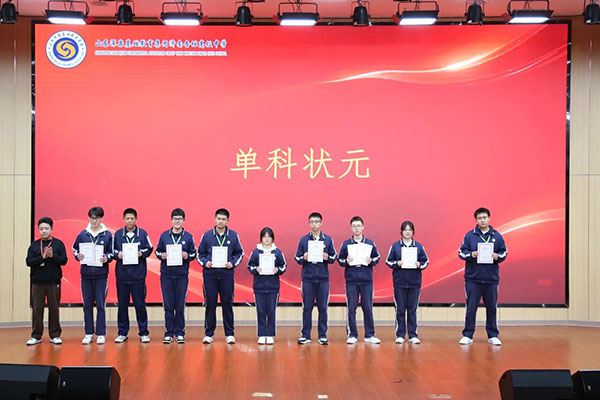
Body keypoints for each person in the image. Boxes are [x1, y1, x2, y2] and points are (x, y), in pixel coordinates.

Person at [458, 207, 507, 346]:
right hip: (473, 279)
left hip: (491, 279)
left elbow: (504, 252)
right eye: (479, 218)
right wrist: (471, 254)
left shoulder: (497, 236)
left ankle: (493, 335)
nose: (482, 220)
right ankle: (467, 335)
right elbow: (461, 253)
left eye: (484, 217)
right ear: (476, 220)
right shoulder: (469, 236)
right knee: (471, 308)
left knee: (492, 308)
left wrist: (497, 256)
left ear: (489, 218)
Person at [197, 208, 244, 344]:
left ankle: (229, 333)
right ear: (214, 219)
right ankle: (208, 334)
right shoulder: (207, 236)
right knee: (210, 303)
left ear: (228, 220)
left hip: (226, 275)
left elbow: (239, 253)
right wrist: (205, 263)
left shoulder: (233, 236)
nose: (221, 221)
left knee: (227, 303)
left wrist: (232, 263)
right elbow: (200, 254)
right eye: (219, 218)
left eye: (223, 219)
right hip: (210, 275)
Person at [72, 207, 113, 345]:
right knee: (87, 305)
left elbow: (111, 252)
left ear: (102, 218)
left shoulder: (107, 235)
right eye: (92, 218)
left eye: (97, 218)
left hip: (101, 276)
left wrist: (107, 258)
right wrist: (78, 256)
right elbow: (75, 250)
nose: (94, 221)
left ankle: (101, 333)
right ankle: (88, 333)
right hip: (86, 275)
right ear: (89, 218)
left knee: (101, 305)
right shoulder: (83, 234)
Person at [295, 212, 337, 345]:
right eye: (312, 222)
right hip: (308, 279)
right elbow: (297, 258)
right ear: (309, 223)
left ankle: (322, 335)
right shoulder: (303, 240)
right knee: (307, 308)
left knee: (323, 308)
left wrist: (327, 257)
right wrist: (304, 258)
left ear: (321, 223)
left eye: (317, 221)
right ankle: (305, 335)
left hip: (323, 279)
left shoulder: (328, 239)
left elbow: (334, 257)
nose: (314, 224)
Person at [337, 216, 381, 344]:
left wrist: (371, 261)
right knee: (351, 308)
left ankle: (370, 335)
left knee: (368, 308)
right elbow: (340, 260)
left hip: (367, 281)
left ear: (363, 227)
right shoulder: (346, 244)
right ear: (351, 228)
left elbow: (377, 258)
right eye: (354, 226)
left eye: (359, 226)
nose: (357, 228)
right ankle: (352, 335)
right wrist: (346, 261)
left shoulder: (370, 243)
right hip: (351, 281)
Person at [112, 208, 153, 343]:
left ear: (136, 219)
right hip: (122, 277)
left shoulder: (143, 234)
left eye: (132, 218)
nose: (129, 221)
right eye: (127, 218)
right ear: (123, 219)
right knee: (122, 306)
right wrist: (117, 255)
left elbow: (150, 248)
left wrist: (142, 253)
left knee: (140, 305)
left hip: (138, 277)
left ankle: (143, 333)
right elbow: (112, 251)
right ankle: (122, 333)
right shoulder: (118, 234)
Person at [155, 208, 196, 344]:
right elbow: (157, 251)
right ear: (171, 220)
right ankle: (168, 333)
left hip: (181, 275)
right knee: (168, 305)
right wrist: (162, 255)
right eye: (175, 218)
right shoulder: (164, 236)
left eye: (180, 219)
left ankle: (179, 333)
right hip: (166, 275)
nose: (177, 221)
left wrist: (187, 256)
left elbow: (194, 254)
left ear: (184, 220)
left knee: (179, 305)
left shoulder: (188, 237)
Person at [25, 217, 68, 345]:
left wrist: (52, 256)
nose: (44, 231)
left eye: (46, 228)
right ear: (38, 230)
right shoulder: (34, 245)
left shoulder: (58, 244)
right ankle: (36, 335)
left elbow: (64, 261)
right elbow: (28, 261)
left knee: (54, 309)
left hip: (53, 282)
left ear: (51, 229)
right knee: (37, 310)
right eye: (41, 229)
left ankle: (55, 335)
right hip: (37, 283)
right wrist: (42, 257)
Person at [385, 221, 429, 344]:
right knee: (400, 309)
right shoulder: (395, 246)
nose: (407, 232)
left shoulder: (418, 246)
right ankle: (400, 335)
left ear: (413, 232)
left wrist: (419, 265)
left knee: (412, 310)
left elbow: (426, 261)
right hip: (399, 283)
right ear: (401, 232)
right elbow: (388, 261)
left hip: (414, 283)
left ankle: (413, 335)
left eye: (410, 230)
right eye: (405, 230)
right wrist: (396, 263)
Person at [247, 227, 287, 345]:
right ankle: (261, 334)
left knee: (271, 311)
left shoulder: (277, 252)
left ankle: (270, 335)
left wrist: (277, 270)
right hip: (259, 286)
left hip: (273, 287)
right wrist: (256, 269)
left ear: (272, 238)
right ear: (261, 238)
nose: (267, 239)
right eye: (264, 237)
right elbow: (250, 266)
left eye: (269, 237)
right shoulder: (256, 252)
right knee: (260, 311)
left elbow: (283, 266)